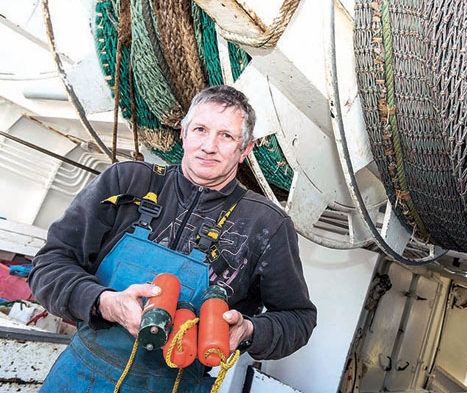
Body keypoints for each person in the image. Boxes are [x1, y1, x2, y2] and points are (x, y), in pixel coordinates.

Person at [29, 85, 317, 392]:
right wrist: (105, 303)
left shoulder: (267, 224)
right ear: (183, 133)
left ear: (245, 150)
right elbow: (49, 266)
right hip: (79, 376)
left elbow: (298, 319)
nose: (209, 145)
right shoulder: (126, 182)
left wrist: (249, 330)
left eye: (226, 136)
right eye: (200, 129)